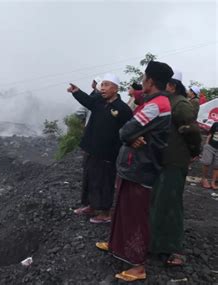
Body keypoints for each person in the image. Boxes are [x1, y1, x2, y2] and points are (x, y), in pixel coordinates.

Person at [95, 61, 173, 282]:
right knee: (122, 208)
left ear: (150, 80)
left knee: (136, 215)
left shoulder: (157, 105)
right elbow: (131, 131)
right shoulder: (154, 102)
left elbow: (126, 129)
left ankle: (138, 266)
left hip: (141, 167)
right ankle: (116, 245)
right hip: (133, 165)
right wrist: (132, 136)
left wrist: (130, 136)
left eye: (144, 76)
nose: (142, 80)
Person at [149, 70, 202, 267]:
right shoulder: (165, 102)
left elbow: (193, 130)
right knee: (158, 201)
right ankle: (156, 243)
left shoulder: (180, 104)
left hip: (174, 160)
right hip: (162, 159)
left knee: (170, 204)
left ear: (172, 86)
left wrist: (194, 151)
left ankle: (174, 249)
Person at [68, 73, 132, 224]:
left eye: (107, 85)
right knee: (89, 178)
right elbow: (87, 101)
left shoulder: (122, 109)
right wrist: (76, 92)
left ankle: (104, 212)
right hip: (92, 148)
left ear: (116, 88)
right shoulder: (98, 101)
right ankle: (91, 205)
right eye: (102, 85)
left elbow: (129, 129)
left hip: (108, 153)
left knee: (104, 181)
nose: (102, 88)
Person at [200, 121, 218, 189]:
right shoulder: (216, 124)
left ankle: (213, 182)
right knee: (206, 162)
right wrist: (206, 145)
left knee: (217, 166)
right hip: (210, 146)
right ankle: (204, 179)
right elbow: (210, 134)